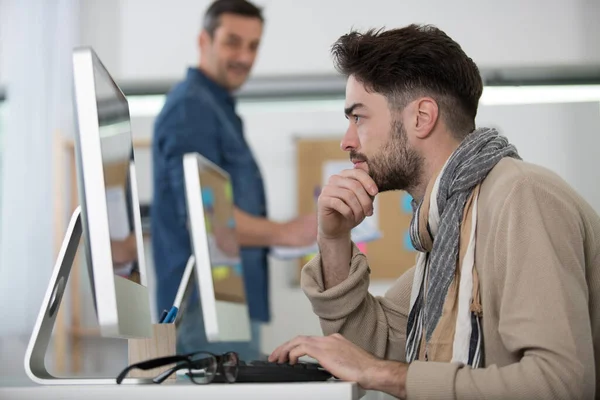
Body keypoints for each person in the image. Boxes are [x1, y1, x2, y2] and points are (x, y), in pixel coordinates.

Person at [269, 24, 600, 399]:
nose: (347, 140)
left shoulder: (520, 197)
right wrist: (333, 238)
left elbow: (560, 384)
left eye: (358, 117)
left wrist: (382, 373)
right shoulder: (448, 228)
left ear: (421, 117)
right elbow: (371, 345)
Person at [151, 0, 317, 360]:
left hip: (226, 301)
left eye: (253, 45)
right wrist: (286, 232)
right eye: (232, 42)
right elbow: (206, 216)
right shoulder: (191, 107)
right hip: (205, 307)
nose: (244, 56)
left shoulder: (217, 107)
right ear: (203, 41)